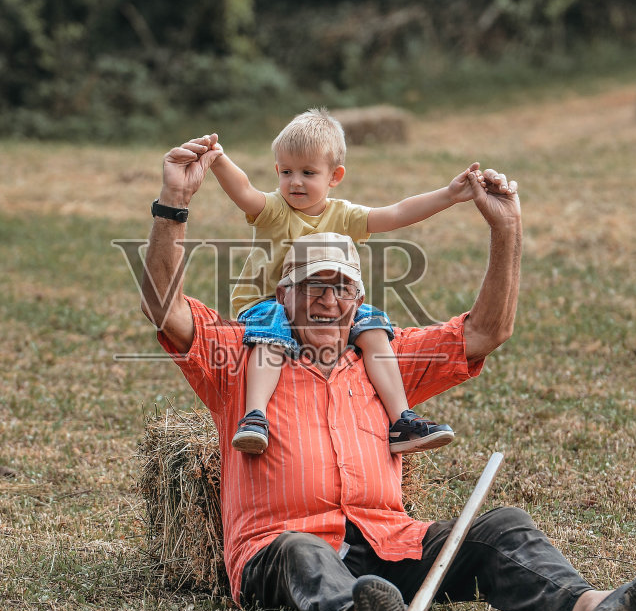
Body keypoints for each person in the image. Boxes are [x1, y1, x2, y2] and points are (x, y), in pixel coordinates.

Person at [138, 135, 636, 611]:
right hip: (282, 547)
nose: (327, 300)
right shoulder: (243, 358)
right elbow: (166, 310)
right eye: (311, 288)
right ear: (282, 298)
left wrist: (506, 230)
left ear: (358, 302)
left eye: (340, 289)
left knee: (503, 528)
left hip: (390, 542)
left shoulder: (383, 356)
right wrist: (173, 206)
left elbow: (485, 331)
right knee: (305, 552)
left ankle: (592, 607)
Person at [202, 108, 479, 456]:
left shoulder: (343, 214)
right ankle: (255, 417)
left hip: (326, 308)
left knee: (374, 324)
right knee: (274, 329)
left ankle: (401, 420)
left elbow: (395, 213)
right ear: (276, 171)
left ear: (335, 176)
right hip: (266, 302)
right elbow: (243, 191)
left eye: (308, 172)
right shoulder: (274, 209)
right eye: (286, 172)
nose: (295, 182)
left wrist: (449, 195)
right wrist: (218, 159)